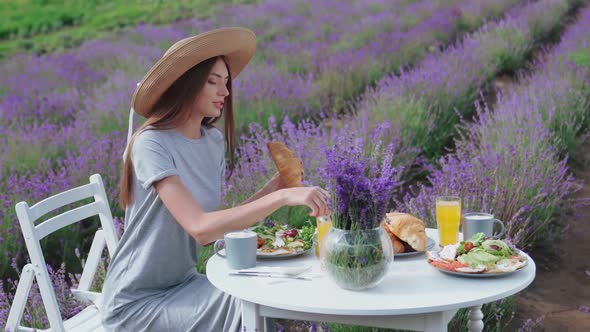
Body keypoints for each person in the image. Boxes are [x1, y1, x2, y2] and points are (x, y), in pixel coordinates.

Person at [99, 27, 331, 332]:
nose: (225, 92)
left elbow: (215, 225)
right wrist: (282, 198)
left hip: (185, 284)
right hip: (136, 303)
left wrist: (275, 188)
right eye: (213, 82)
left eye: (226, 83)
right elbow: (200, 228)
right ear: (186, 84)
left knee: (265, 289)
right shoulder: (150, 144)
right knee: (248, 303)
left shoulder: (211, 141)